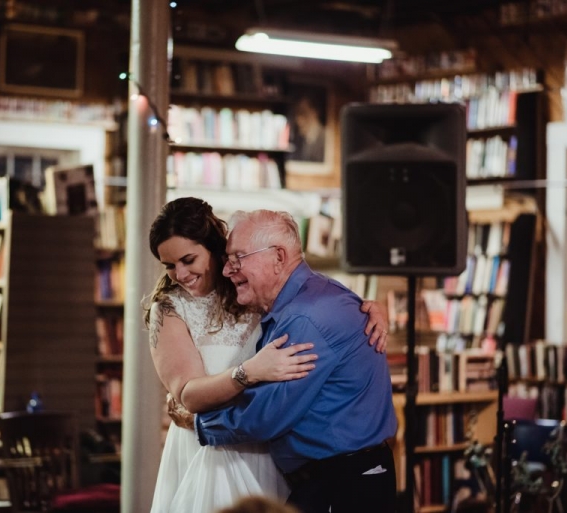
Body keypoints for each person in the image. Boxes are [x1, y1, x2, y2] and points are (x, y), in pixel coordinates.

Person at [145, 197, 390, 513]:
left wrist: (368, 309)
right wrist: (247, 373)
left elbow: (314, 299)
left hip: (269, 451)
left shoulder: (258, 294)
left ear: (215, 250)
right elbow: (187, 394)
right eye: (168, 265)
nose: (180, 273)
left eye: (188, 259)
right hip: (212, 451)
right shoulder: (175, 307)